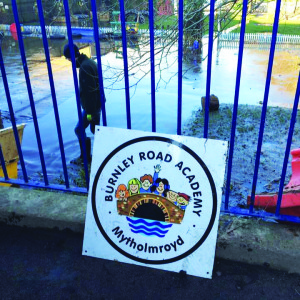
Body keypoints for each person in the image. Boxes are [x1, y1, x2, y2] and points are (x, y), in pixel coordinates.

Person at [63, 43, 105, 164]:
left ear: (71, 57)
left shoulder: (85, 68)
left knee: (79, 130)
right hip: (97, 104)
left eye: (68, 59)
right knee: (95, 130)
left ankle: (85, 158)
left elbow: (89, 93)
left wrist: (89, 114)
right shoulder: (89, 63)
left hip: (91, 107)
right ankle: (102, 154)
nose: (69, 61)